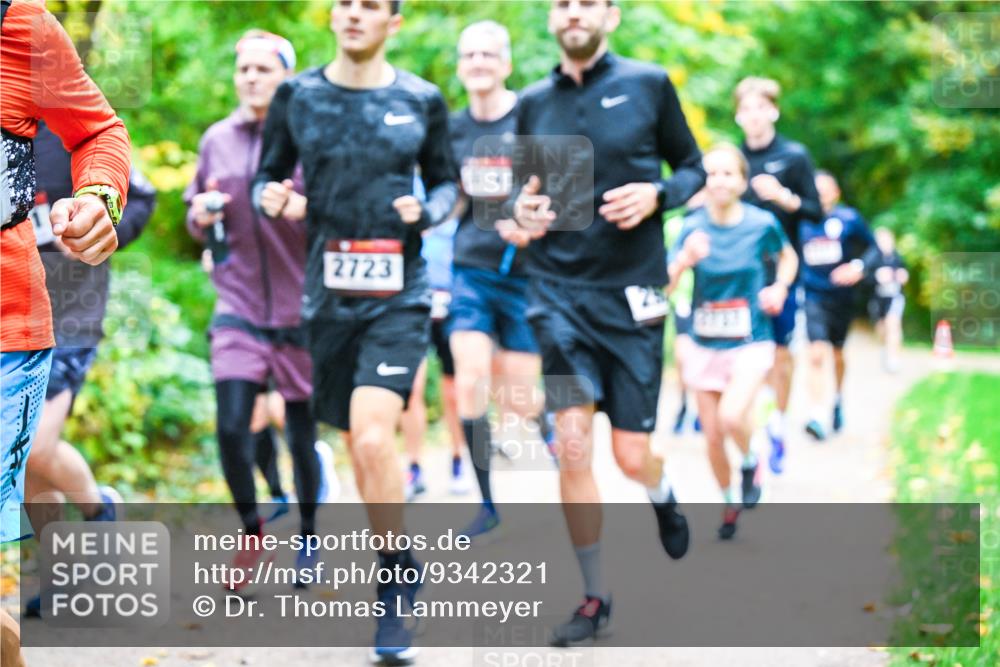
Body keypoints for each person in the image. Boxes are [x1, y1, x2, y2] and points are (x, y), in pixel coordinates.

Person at [252, 0, 458, 662]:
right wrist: (270, 198)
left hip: (400, 292)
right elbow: (267, 175)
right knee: (360, 445)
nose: (354, 14)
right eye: (344, 3)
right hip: (329, 294)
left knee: (374, 431)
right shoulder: (298, 95)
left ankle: (394, 581)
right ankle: (397, 550)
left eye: (370, 5)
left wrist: (426, 211)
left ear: (393, 22)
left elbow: (450, 184)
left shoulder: (422, 99)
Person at [507, 0, 705, 647]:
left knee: (629, 453)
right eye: (562, 3)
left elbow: (694, 170)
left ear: (611, 16)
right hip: (558, 296)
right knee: (571, 440)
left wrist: (659, 195)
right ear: (550, 18)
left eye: (586, 2)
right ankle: (595, 595)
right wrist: (523, 212)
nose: (573, 12)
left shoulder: (649, 84)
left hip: (634, 298)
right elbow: (513, 200)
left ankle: (662, 491)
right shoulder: (533, 102)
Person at [2, 0, 131, 663]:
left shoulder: (25, 41)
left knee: (39, 449)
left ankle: (98, 511)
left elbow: (108, 151)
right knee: (31, 470)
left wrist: (99, 212)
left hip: (56, 314)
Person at [184, 29, 327, 590]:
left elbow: (335, 215)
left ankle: (311, 534)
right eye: (244, 69)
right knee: (229, 425)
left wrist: (299, 206)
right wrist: (199, 214)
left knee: (299, 433)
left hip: (300, 307)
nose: (251, 78)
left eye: (264, 69)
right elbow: (198, 214)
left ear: (285, 77)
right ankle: (251, 531)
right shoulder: (216, 139)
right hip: (238, 303)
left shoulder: (308, 138)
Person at [20, 123, 154, 617]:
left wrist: (101, 232)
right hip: (12, 313)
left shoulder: (73, 131)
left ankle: (100, 511)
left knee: (37, 445)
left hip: (71, 314)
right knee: (27, 458)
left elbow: (140, 197)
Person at [448, 19, 550, 540]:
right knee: (469, 379)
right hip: (471, 270)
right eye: (470, 56)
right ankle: (486, 503)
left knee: (521, 398)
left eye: (488, 55)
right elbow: (450, 199)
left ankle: (547, 425)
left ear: (506, 64)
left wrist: (533, 224)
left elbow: (560, 192)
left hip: (527, 276)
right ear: (461, 66)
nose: (479, 63)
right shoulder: (451, 128)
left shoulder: (532, 119)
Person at [668, 144, 798, 539]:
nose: (719, 181)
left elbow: (788, 258)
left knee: (730, 418)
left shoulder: (761, 224)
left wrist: (778, 287)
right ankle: (728, 501)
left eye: (728, 174)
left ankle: (750, 460)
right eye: (711, 174)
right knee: (710, 436)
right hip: (704, 343)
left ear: (742, 181)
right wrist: (684, 260)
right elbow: (664, 284)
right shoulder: (690, 227)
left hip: (750, 339)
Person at [734, 76, 822, 473]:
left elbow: (816, 210)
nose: (753, 116)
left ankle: (777, 426)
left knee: (782, 357)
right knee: (745, 355)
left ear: (773, 111)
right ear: (738, 115)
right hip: (740, 273)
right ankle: (749, 427)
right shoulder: (732, 161)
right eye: (746, 109)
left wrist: (782, 197)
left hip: (784, 270)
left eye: (760, 107)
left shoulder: (794, 155)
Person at [800, 171, 879, 441]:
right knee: (816, 353)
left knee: (836, 354)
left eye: (825, 189)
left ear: (835, 193)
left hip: (842, 298)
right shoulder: (801, 220)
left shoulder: (849, 219)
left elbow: (874, 249)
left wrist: (858, 267)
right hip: (812, 296)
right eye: (815, 189)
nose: (819, 194)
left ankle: (836, 399)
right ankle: (816, 415)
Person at [400, 213, 470, 502]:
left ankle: (458, 459)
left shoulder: (456, 208)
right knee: (410, 390)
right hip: (412, 305)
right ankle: (414, 466)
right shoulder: (408, 195)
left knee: (453, 392)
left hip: (450, 306)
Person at [869, 227, 908, 373]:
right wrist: (876, 277)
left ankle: (894, 359)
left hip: (895, 297)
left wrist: (903, 276)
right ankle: (885, 349)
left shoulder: (897, 257)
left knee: (893, 324)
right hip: (878, 299)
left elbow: (905, 272)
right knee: (881, 329)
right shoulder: (873, 258)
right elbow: (865, 277)